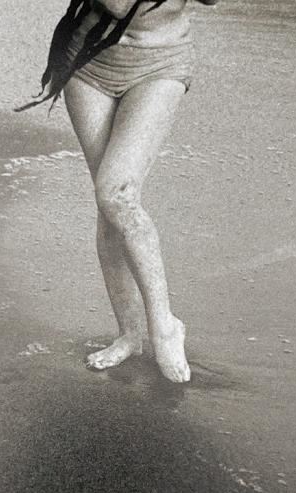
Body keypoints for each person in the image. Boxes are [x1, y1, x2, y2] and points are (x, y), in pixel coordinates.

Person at [19, 0, 220, 382]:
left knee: (117, 194)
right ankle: (129, 334)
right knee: (109, 203)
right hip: (88, 64)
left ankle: (165, 326)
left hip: (160, 63)